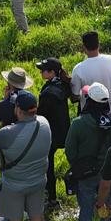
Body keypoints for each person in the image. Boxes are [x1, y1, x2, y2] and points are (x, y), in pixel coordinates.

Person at [0, 90, 52, 221]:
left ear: (17, 109)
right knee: (37, 216)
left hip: (13, 185)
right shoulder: (44, 123)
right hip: (39, 180)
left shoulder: (8, 133)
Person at [65, 83, 111, 221]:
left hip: (86, 175)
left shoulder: (78, 123)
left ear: (89, 100)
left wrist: (78, 166)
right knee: (105, 209)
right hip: (107, 175)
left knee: (86, 212)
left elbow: (70, 150)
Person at [35, 58, 72, 207]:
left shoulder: (48, 93)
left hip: (50, 134)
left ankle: (51, 198)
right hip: (63, 131)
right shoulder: (62, 85)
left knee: (47, 167)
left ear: (52, 72)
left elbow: (41, 114)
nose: (40, 71)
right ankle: (52, 198)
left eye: (43, 69)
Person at [71, 31, 111, 108]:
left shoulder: (78, 69)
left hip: (90, 115)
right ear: (99, 45)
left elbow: (75, 96)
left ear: (84, 47)